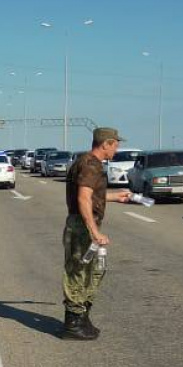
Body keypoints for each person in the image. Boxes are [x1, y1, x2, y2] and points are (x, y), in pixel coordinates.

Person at [61, 127, 132, 340]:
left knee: (94, 271)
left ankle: (82, 317)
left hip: (83, 224)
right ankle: (73, 324)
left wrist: (115, 196)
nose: (116, 149)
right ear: (105, 144)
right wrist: (94, 231)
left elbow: (91, 195)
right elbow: (83, 198)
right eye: (115, 145)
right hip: (81, 226)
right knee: (78, 272)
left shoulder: (87, 162)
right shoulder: (90, 165)